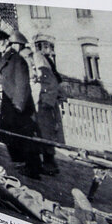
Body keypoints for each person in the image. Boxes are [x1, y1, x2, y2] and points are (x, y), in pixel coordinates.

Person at [0, 29, 42, 177]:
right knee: (9, 132)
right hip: (11, 102)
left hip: (20, 105)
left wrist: (19, 105)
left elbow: (22, 84)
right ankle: (21, 162)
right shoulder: (8, 58)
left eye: (0, 42)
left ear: (7, 41)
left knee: (26, 137)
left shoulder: (17, 59)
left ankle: (33, 169)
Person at [21, 42, 63, 175]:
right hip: (35, 101)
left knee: (45, 133)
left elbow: (50, 82)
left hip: (43, 103)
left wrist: (47, 101)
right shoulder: (30, 58)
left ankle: (49, 164)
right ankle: (39, 163)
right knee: (36, 133)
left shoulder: (38, 59)